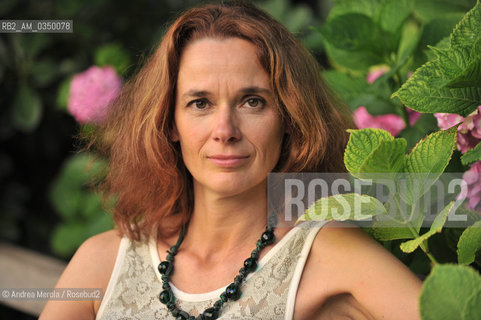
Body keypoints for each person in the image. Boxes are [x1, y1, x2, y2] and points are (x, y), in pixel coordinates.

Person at [40, 2, 422, 319]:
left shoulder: (329, 256)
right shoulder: (102, 261)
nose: (225, 130)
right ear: (169, 122)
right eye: (200, 103)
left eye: (252, 102)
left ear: (289, 118)